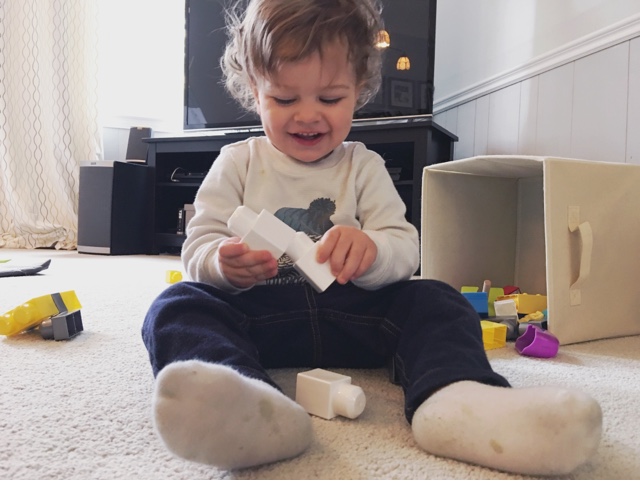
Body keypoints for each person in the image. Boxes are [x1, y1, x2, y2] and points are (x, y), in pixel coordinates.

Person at [141, 0, 602, 475]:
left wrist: (373, 250)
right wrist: (221, 262)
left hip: (355, 314)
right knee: (176, 306)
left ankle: (455, 399)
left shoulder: (363, 165)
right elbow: (200, 241)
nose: (307, 115)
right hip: (260, 312)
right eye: (284, 99)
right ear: (255, 92)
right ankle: (247, 408)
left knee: (437, 299)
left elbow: (404, 247)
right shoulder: (238, 161)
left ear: (358, 91)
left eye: (329, 99)